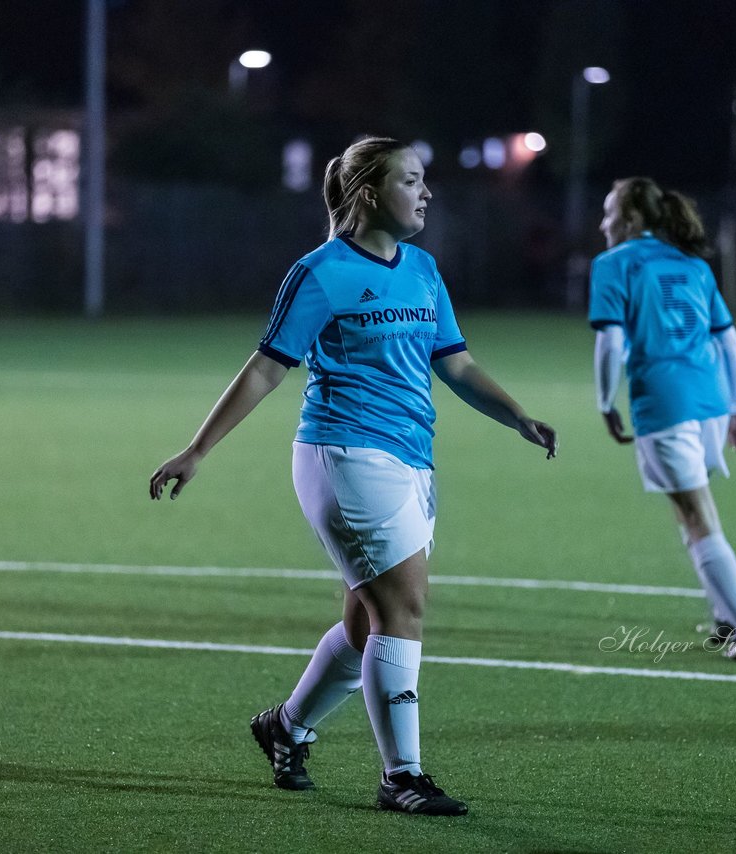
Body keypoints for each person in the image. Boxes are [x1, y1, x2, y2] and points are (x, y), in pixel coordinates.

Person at [150, 136, 558, 816]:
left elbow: (454, 364)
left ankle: (285, 727)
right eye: (411, 180)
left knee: (368, 623)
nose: (426, 192)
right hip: (342, 458)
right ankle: (403, 775)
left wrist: (515, 414)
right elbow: (265, 368)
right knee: (404, 608)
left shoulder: (424, 270)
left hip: (410, 460)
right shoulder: (320, 272)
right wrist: (197, 449)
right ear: (369, 193)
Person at [588, 177, 736, 662]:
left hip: (664, 405)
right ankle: (726, 619)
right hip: (708, 401)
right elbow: (729, 340)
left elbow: (609, 343)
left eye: (609, 213)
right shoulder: (692, 264)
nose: (602, 224)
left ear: (632, 220)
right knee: (688, 515)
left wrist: (606, 401)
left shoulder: (612, 265)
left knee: (699, 517)